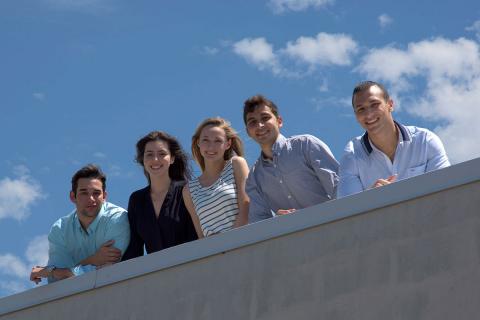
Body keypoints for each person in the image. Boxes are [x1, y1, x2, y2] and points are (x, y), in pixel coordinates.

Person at [337, 81, 451, 197]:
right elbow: (347, 210)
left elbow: (446, 192)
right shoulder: (352, 154)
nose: (369, 114)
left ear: (390, 105)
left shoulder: (425, 141)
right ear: (356, 115)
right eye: (361, 109)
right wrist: (371, 199)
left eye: (374, 104)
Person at [244, 95, 339, 223]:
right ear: (248, 132)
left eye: (265, 118)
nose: (260, 125)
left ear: (279, 121)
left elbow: (339, 189)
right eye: (252, 122)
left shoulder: (305, 145)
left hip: (334, 227)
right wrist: (276, 223)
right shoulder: (254, 178)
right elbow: (258, 223)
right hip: (296, 241)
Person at [30, 164, 130, 284]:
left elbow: (107, 271)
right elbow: (58, 281)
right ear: (73, 197)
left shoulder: (117, 218)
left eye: (96, 193)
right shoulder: (60, 229)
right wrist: (93, 259)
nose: (91, 199)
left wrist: (52, 271)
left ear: (104, 197)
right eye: (84, 193)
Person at [122, 131, 197, 261]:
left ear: (172, 158)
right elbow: (134, 249)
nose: (155, 159)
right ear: (142, 160)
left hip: (190, 268)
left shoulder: (187, 190)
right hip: (156, 276)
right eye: (149, 154)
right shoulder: (137, 200)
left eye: (162, 154)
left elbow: (196, 238)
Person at [183, 117, 249, 237]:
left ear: (228, 144)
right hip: (215, 253)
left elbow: (246, 208)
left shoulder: (236, 164)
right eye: (205, 140)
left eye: (218, 141)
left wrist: (228, 244)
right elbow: (201, 236)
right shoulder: (189, 190)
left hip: (243, 245)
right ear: (198, 143)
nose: (211, 147)